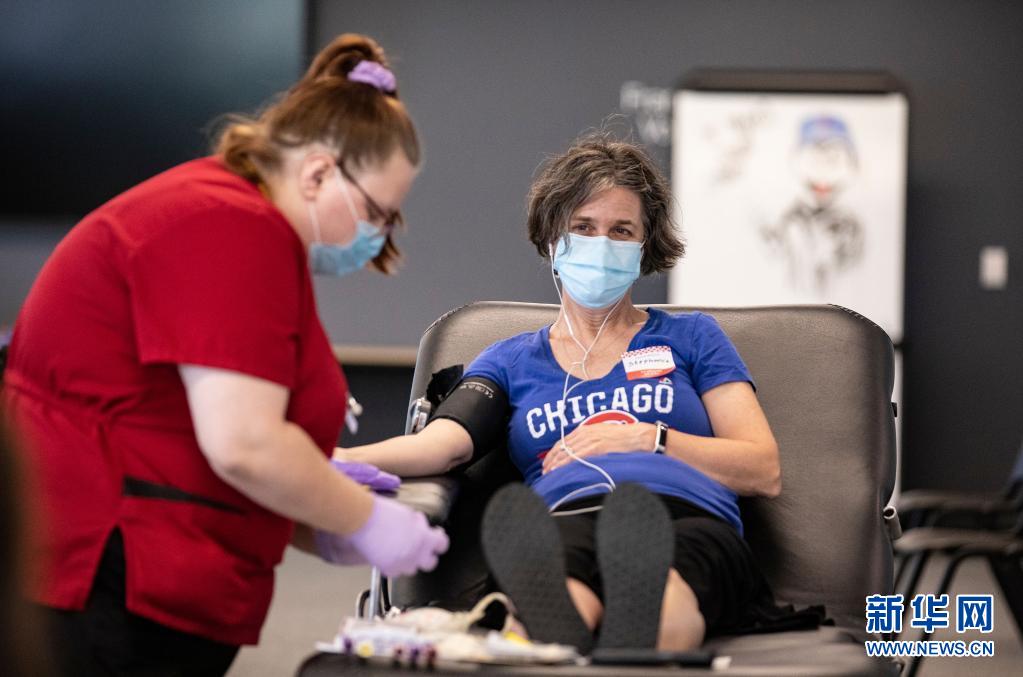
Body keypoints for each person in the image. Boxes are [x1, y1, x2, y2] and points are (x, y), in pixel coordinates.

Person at [1, 33, 448, 676]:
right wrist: (364, 520)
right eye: (379, 213)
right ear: (319, 173)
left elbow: (191, 422)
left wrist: (317, 507)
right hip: (106, 577)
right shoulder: (231, 227)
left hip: (142, 577)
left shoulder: (239, 221)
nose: (378, 236)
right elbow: (245, 444)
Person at [340, 134, 823, 652]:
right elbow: (440, 446)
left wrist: (647, 439)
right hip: (566, 515)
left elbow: (762, 469)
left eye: (621, 230)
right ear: (553, 239)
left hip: (686, 516)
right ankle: (574, 628)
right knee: (560, 571)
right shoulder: (510, 360)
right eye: (584, 227)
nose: (602, 244)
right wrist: (337, 459)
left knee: (666, 582)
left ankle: (626, 630)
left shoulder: (693, 337)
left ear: (645, 247)